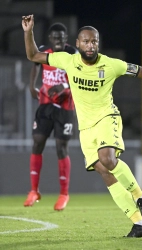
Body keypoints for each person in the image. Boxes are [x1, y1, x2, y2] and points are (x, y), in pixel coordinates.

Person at [22, 14, 142, 237]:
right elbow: (33, 55)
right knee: (104, 170)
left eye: (94, 41)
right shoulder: (67, 60)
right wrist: (28, 32)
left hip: (107, 117)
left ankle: (140, 196)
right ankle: (140, 224)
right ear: (77, 44)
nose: (90, 45)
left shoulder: (111, 64)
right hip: (85, 127)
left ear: (98, 43)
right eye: (85, 41)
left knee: (107, 158)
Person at [23, 23, 77, 211]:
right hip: (46, 105)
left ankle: (64, 194)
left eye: (62, 37)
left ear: (66, 38)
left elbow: (81, 76)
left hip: (65, 107)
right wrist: (32, 86)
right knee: (37, 142)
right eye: (55, 37)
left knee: (61, 147)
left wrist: (64, 87)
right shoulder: (45, 52)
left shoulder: (73, 54)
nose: (59, 41)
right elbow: (35, 64)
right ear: (51, 39)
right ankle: (34, 190)